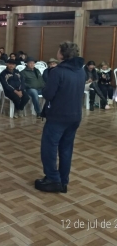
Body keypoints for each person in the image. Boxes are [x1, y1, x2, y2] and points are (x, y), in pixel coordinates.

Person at [36, 42, 85, 193]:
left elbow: (48, 94)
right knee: (66, 148)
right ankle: (63, 181)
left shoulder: (58, 71)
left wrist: (45, 87)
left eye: (58, 50)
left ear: (62, 54)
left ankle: (52, 179)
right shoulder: (81, 71)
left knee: (49, 148)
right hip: (75, 116)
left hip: (58, 116)